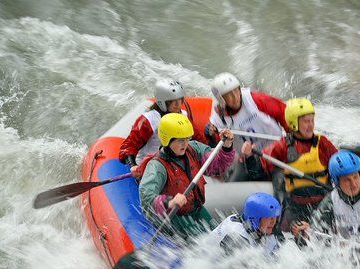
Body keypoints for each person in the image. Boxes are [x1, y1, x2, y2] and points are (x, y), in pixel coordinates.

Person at [138, 113, 235, 241]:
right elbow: (146, 198)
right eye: (180, 140)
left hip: (198, 211)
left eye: (187, 138)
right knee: (202, 249)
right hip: (176, 218)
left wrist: (227, 146)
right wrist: (170, 202)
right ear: (167, 140)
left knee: (221, 240)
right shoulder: (157, 166)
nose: (185, 143)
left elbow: (218, 166)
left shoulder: (193, 149)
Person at [258, 97, 338, 232]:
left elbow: (340, 169)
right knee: (284, 234)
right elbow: (260, 168)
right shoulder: (282, 146)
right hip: (295, 206)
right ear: (294, 123)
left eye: (312, 120)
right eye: (306, 121)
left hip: (323, 204)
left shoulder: (323, 143)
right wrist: (249, 156)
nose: (311, 125)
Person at [205, 72, 289, 182]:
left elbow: (286, 114)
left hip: (276, 150)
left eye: (236, 91)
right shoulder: (218, 117)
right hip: (249, 160)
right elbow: (218, 147)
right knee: (233, 182)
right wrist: (209, 134)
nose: (235, 97)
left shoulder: (256, 100)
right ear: (221, 99)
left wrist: (293, 143)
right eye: (229, 95)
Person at [119, 78, 206, 178]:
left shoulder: (183, 116)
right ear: (162, 102)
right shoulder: (148, 120)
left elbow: (198, 139)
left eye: (179, 99)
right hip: (149, 166)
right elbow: (129, 146)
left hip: (173, 164)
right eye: (172, 101)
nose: (177, 104)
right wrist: (133, 165)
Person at [209, 192, 283, 256]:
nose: (273, 221)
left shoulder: (250, 225)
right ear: (254, 219)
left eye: (275, 217)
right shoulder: (237, 238)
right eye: (269, 217)